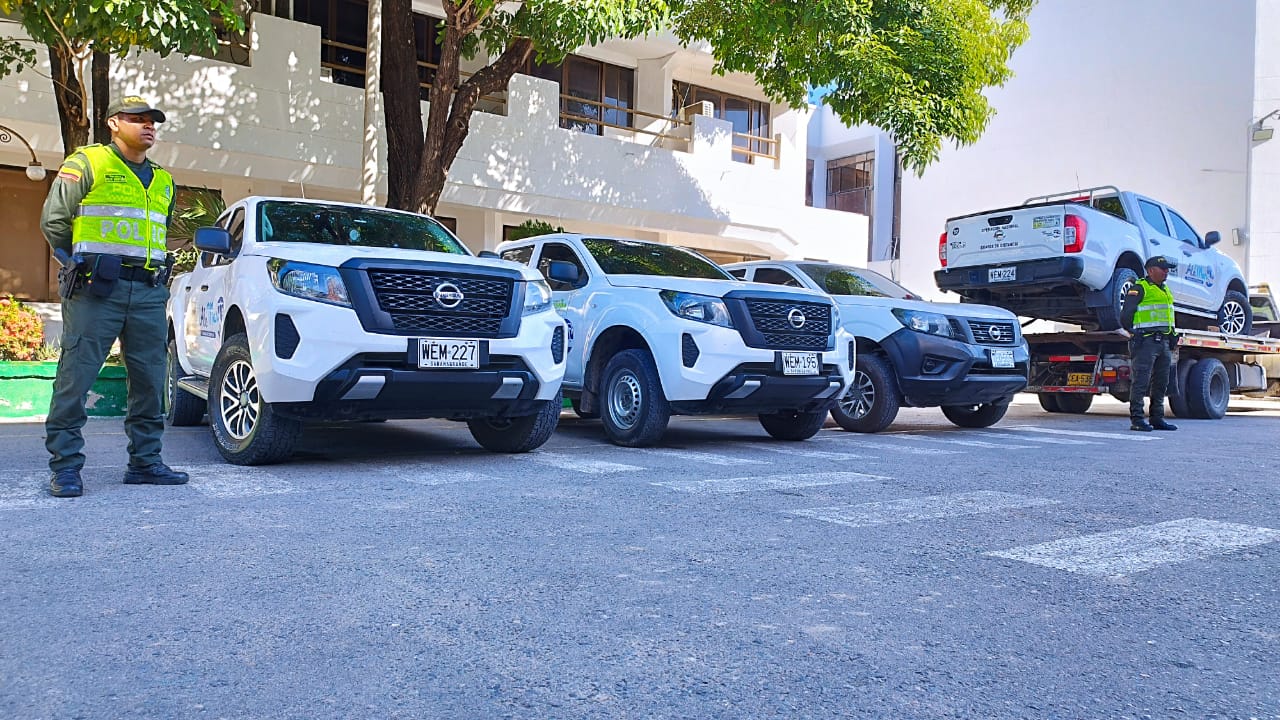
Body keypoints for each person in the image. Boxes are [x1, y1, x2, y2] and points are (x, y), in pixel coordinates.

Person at [41, 95, 189, 497]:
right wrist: (76, 264)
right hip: (94, 291)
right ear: (113, 124)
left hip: (148, 292)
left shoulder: (163, 180)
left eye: (152, 121)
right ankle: (66, 467)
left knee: (149, 379)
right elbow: (55, 221)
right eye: (136, 119)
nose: (147, 126)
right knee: (77, 377)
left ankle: (145, 462)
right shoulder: (88, 163)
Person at [1120, 255, 1180, 432]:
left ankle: (1157, 418)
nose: (1166, 272)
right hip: (1146, 342)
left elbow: (1167, 316)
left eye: (1168, 269)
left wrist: (1173, 336)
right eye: (1163, 269)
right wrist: (1133, 332)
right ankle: (1137, 419)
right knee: (1141, 381)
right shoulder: (1139, 288)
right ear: (1151, 270)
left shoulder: (1165, 290)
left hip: (1163, 342)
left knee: (1161, 382)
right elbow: (1125, 315)